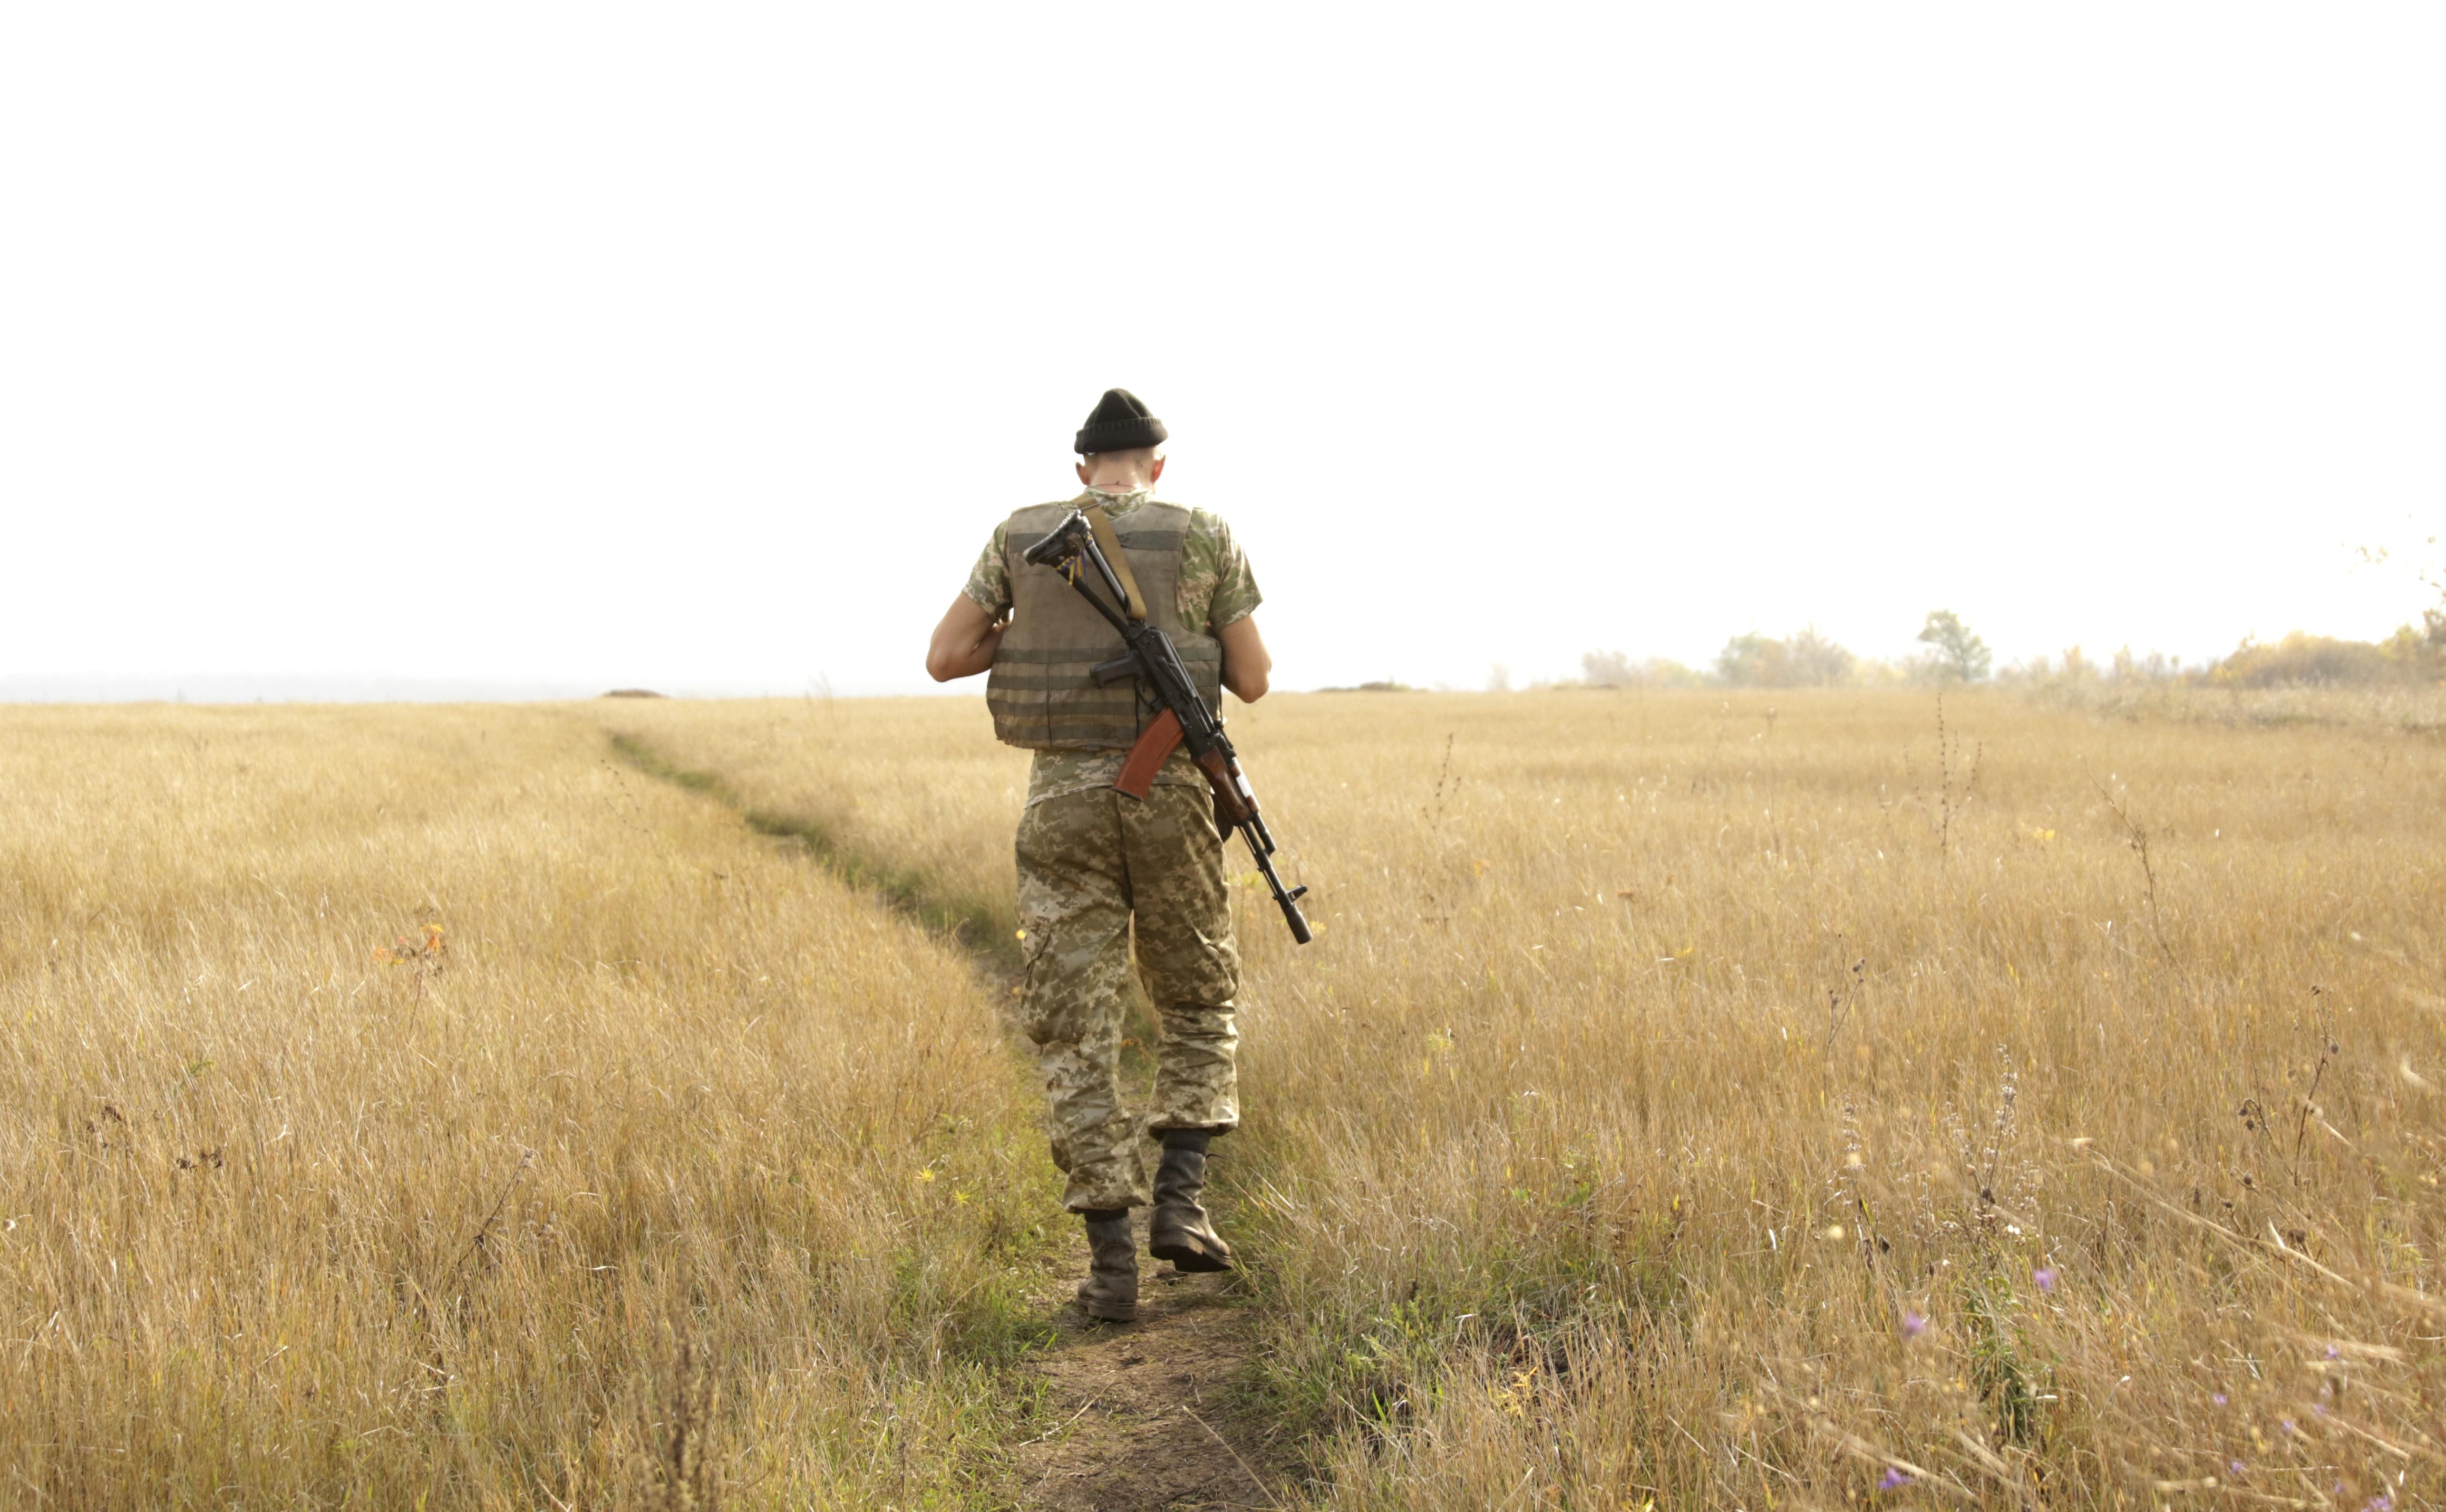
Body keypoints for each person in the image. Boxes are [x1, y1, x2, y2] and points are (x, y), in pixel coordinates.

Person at [925, 388, 1271, 1323]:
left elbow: (946, 655)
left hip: (1062, 808)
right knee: (1197, 1001)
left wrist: (1028, 632)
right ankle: (1183, 1205)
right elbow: (1251, 677)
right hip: (1171, 801)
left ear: (1082, 468)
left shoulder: (1018, 535)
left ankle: (1110, 1270)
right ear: (1159, 466)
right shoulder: (1203, 534)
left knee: (1076, 1030)